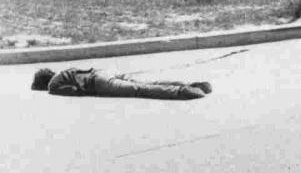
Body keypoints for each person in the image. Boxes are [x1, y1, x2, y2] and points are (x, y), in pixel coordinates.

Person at [31, 68, 210, 100]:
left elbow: (72, 90)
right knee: (145, 82)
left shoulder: (52, 86)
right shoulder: (63, 71)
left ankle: (183, 91)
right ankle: (192, 84)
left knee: (139, 90)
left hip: (98, 83)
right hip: (101, 72)